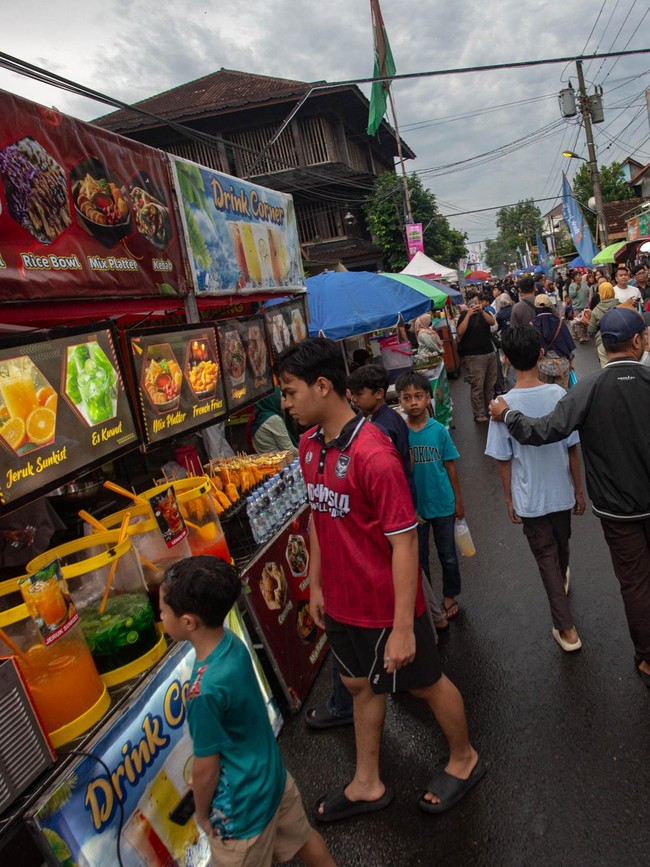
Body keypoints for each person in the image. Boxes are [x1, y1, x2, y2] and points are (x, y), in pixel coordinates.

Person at [276, 338, 484, 820]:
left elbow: (406, 542)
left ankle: (465, 758)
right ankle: (366, 781)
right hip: (342, 607)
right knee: (358, 687)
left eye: (290, 392)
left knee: (425, 684)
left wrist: (407, 627)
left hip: (387, 609)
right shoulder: (309, 447)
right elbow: (318, 519)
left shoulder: (374, 454)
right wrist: (317, 587)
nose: (286, 404)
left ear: (323, 386)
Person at [488, 307, 650, 688]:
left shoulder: (586, 390)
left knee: (636, 583)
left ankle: (647, 658)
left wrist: (509, 414)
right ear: (639, 340)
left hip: (618, 511)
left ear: (603, 346)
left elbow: (546, 431)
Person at [159, 556, 335, 866]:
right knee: (305, 838)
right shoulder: (233, 644)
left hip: (241, 812)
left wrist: (201, 812)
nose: (160, 617)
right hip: (273, 779)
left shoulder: (202, 692)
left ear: (188, 622)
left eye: (162, 611)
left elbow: (205, 768)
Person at [485, 327, 585, 651]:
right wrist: (579, 491)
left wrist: (508, 498)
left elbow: (503, 459)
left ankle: (567, 629)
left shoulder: (501, 406)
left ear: (505, 359)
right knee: (560, 547)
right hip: (561, 492)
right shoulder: (558, 396)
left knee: (547, 558)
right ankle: (563, 592)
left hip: (530, 499)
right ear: (541, 355)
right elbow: (572, 447)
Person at [395, 370, 465, 621]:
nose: (413, 402)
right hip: (417, 510)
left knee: (447, 554)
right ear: (400, 402)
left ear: (428, 399)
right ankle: (428, 601)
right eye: (407, 398)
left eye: (418, 396)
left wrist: (458, 500)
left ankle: (450, 595)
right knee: (420, 558)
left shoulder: (438, 431)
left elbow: (450, 467)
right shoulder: (400, 434)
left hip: (443, 503)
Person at [456, 291, 497, 422]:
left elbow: (492, 322)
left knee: (490, 385)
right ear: (468, 303)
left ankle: (490, 409)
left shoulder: (485, 313)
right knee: (477, 386)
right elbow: (460, 331)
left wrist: (482, 311)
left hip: (489, 352)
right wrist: (468, 314)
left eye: (477, 302)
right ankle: (479, 414)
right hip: (473, 356)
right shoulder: (463, 315)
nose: (475, 305)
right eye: (472, 302)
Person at [531, 294, 575, 389]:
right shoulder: (559, 322)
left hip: (543, 366)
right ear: (550, 306)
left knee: (545, 396)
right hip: (562, 365)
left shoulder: (532, 326)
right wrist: (571, 362)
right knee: (561, 396)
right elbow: (568, 344)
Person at [251, 387, 298, 455]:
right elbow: (290, 450)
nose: (284, 399)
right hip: (281, 463)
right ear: (273, 399)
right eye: (281, 396)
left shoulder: (261, 417)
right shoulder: (273, 419)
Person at [587, 282, 618, 367]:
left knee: (606, 367)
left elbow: (591, 330)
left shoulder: (596, 310)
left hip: (603, 340)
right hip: (622, 339)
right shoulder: (621, 305)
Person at [569, 274, 589, 343]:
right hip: (576, 306)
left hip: (585, 305)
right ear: (574, 277)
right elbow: (571, 295)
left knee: (585, 321)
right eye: (578, 275)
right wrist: (576, 290)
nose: (580, 276)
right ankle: (581, 336)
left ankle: (585, 335)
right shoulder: (571, 286)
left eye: (580, 275)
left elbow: (587, 291)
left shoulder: (584, 284)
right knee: (578, 321)